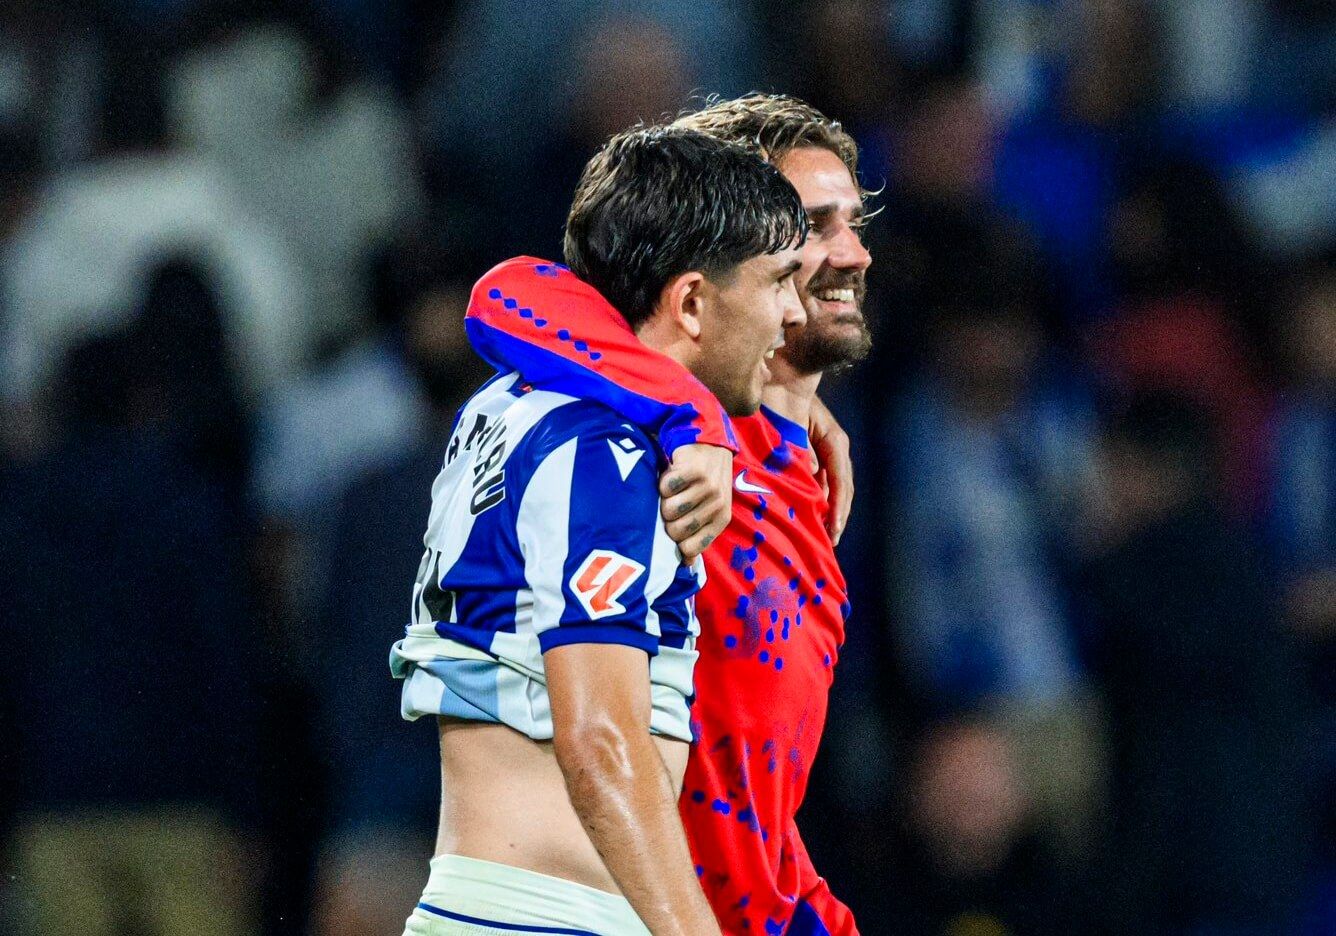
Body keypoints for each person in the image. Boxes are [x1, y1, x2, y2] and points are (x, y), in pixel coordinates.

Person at [466, 93, 872, 935]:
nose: (850, 252)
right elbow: (513, 292)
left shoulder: (811, 482)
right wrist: (689, 413)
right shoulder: (660, 442)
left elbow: (752, 797)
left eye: (852, 221)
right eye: (811, 224)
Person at [390, 125, 808, 935]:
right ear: (691, 301)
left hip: (481, 901)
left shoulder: (507, 406)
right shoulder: (605, 458)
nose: (793, 314)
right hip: (555, 918)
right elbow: (602, 742)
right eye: (779, 280)